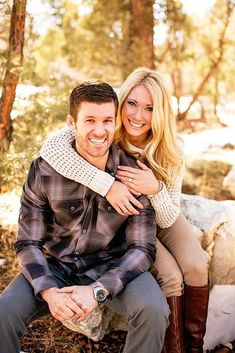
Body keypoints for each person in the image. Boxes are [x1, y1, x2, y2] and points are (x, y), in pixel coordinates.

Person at [41, 67, 209, 353]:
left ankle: (193, 347)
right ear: (121, 102)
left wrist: (154, 188)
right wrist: (108, 185)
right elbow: (51, 148)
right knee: (170, 275)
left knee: (196, 266)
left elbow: (169, 216)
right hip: (127, 221)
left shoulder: (171, 149)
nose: (138, 115)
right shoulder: (107, 131)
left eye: (149, 108)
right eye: (131, 103)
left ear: (160, 112)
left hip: (161, 213)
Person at [0, 81, 169, 353]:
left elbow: (142, 248)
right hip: (55, 264)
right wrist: (49, 292)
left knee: (153, 309)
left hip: (110, 263)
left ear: (116, 123)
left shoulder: (133, 174)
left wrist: (97, 291)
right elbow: (27, 242)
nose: (100, 131)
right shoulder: (45, 171)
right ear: (72, 122)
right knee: (3, 313)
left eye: (107, 121)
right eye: (89, 120)